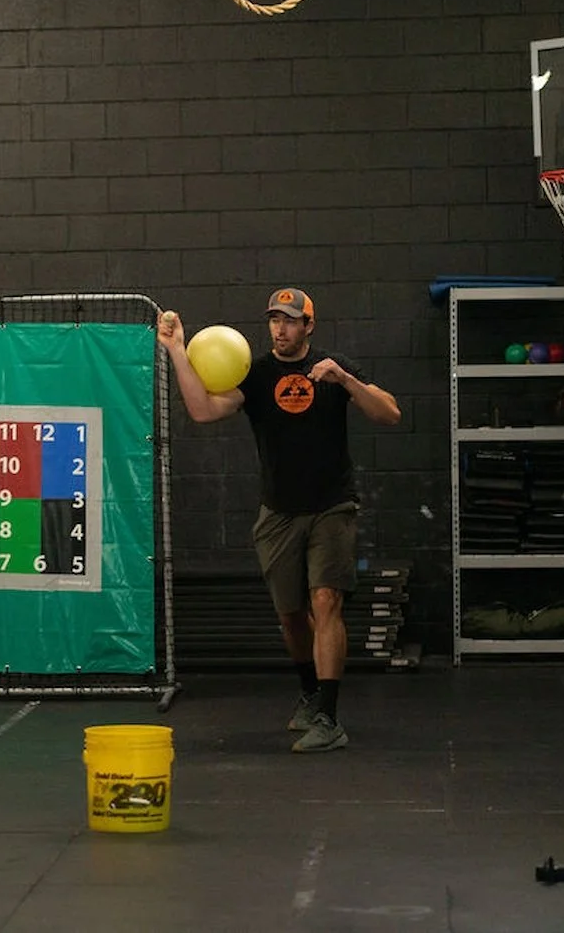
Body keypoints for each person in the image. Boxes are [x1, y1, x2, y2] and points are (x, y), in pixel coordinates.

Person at [158, 289, 401, 752]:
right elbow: (203, 409)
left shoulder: (333, 366)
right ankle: (310, 694)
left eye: (290, 321)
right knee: (291, 616)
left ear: (308, 326)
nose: (280, 329)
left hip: (332, 506)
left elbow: (390, 413)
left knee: (326, 600)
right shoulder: (257, 374)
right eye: (274, 320)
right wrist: (176, 350)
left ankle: (329, 718)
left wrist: (345, 380)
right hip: (279, 513)